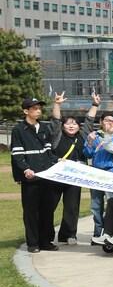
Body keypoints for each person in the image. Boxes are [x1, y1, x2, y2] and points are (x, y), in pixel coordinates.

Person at [13, 96, 61, 253]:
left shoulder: (44, 128)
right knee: (31, 212)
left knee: (47, 210)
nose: (38, 111)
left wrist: (58, 160)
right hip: (31, 178)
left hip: (47, 177)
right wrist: (26, 169)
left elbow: (48, 152)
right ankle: (33, 243)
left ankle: (46, 241)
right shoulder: (18, 130)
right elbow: (17, 154)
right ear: (26, 111)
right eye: (34, 108)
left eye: (39, 108)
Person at [49, 93, 99, 244]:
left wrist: (95, 105)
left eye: (75, 124)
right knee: (49, 205)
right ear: (63, 126)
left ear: (79, 126)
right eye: (68, 123)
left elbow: (89, 121)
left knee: (72, 207)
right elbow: (55, 120)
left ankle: (69, 234)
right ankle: (45, 234)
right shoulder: (57, 135)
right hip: (56, 174)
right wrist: (57, 104)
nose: (71, 126)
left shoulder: (82, 136)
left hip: (74, 177)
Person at [85, 102, 113, 245]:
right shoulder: (94, 135)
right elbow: (87, 153)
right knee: (96, 206)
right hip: (96, 173)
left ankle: (112, 233)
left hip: (112, 173)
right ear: (101, 122)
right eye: (106, 120)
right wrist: (90, 143)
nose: (109, 123)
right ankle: (98, 232)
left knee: (112, 204)